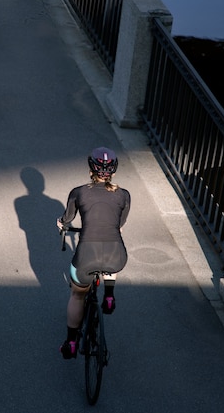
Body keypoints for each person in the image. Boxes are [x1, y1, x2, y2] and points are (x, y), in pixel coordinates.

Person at [56, 146, 130, 360]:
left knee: (78, 294)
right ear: (113, 171)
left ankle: (71, 342)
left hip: (86, 257)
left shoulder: (78, 192)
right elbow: (120, 224)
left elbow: (67, 220)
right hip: (117, 256)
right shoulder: (124, 195)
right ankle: (108, 295)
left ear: (91, 169)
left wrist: (61, 225)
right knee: (110, 252)